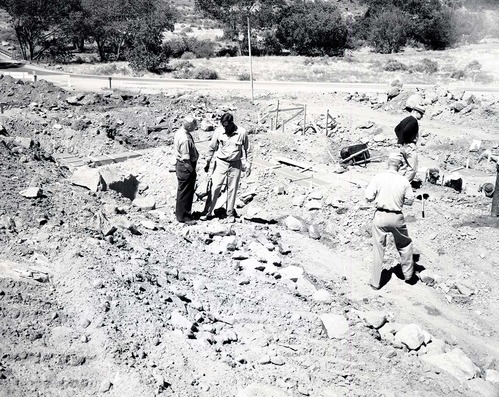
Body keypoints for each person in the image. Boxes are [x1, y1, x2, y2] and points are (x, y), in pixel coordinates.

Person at [365, 153, 416, 290]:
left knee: (378, 249)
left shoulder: (378, 177)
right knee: (404, 244)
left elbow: (368, 196)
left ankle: (375, 283)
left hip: (380, 216)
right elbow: (410, 201)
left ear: (388, 163)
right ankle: (409, 276)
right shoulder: (404, 180)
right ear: (399, 165)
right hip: (396, 217)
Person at [201, 113, 253, 223]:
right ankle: (207, 212)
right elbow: (212, 147)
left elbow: (248, 150)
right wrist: (207, 161)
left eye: (227, 126)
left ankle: (229, 213)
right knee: (215, 187)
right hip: (220, 162)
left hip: (235, 164)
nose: (225, 128)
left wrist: (248, 165)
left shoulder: (242, 132)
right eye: (223, 125)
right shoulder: (219, 131)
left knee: (232, 189)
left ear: (232, 123)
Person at [174, 116, 199, 224]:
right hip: (186, 167)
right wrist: (192, 171)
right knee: (186, 192)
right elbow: (186, 159)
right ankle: (184, 217)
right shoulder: (184, 139)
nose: (196, 127)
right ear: (189, 126)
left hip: (181, 166)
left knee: (182, 190)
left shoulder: (180, 132)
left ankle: (180, 213)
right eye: (194, 125)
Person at [394, 105, 425, 182]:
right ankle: (404, 185)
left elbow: (397, 129)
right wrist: (408, 141)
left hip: (403, 146)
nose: (422, 117)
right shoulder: (413, 121)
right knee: (413, 168)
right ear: (416, 112)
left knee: (403, 167)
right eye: (421, 114)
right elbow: (406, 131)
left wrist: (401, 141)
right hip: (409, 146)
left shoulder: (406, 119)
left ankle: (397, 183)